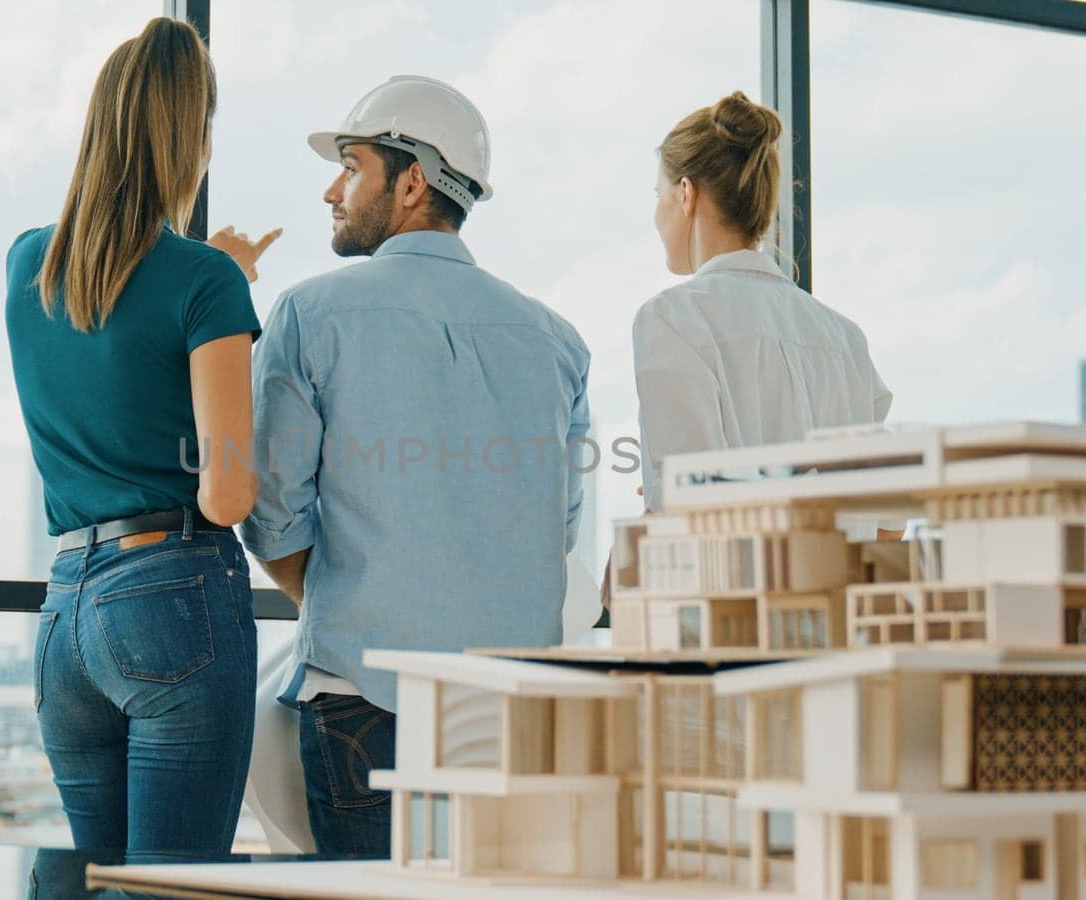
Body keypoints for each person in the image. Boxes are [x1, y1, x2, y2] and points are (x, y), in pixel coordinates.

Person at [240, 75, 592, 857]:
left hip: (365, 700)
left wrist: (349, 597)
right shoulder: (558, 340)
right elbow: (556, 523)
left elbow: (268, 510)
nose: (332, 189)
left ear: (410, 182)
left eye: (352, 165)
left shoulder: (309, 313)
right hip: (514, 706)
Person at [4, 18, 279, 861]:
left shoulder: (26, 263)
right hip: (170, 602)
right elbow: (227, 493)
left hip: (64, 619)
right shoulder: (205, 281)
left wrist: (211, 272)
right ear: (189, 140)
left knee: (104, 883)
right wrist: (224, 283)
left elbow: (114, 327)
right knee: (174, 886)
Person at [634, 90, 892, 510]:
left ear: (686, 194)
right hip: (837, 573)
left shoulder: (671, 319)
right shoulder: (846, 338)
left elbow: (686, 510)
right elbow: (887, 517)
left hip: (728, 576)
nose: (656, 215)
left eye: (656, 195)